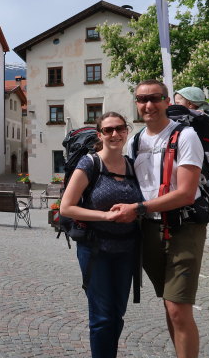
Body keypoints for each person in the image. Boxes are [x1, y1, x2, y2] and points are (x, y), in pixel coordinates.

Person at [111, 79, 204, 358]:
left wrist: (137, 208)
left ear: (167, 101)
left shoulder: (185, 136)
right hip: (149, 229)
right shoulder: (136, 141)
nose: (148, 105)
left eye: (154, 98)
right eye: (142, 100)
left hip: (183, 226)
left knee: (178, 308)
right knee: (169, 304)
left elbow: (187, 193)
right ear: (136, 104)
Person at [60, 112, 142, 358]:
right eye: (108, 130)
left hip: (127, 250)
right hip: (96, 250)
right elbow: (67, 207)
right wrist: (105, 216)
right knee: (102, 317)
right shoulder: (90, 163)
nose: (115, 134)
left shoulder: (132, 165)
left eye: (120, 128)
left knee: (117, 314)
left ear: (127, 131)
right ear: (100, 135)